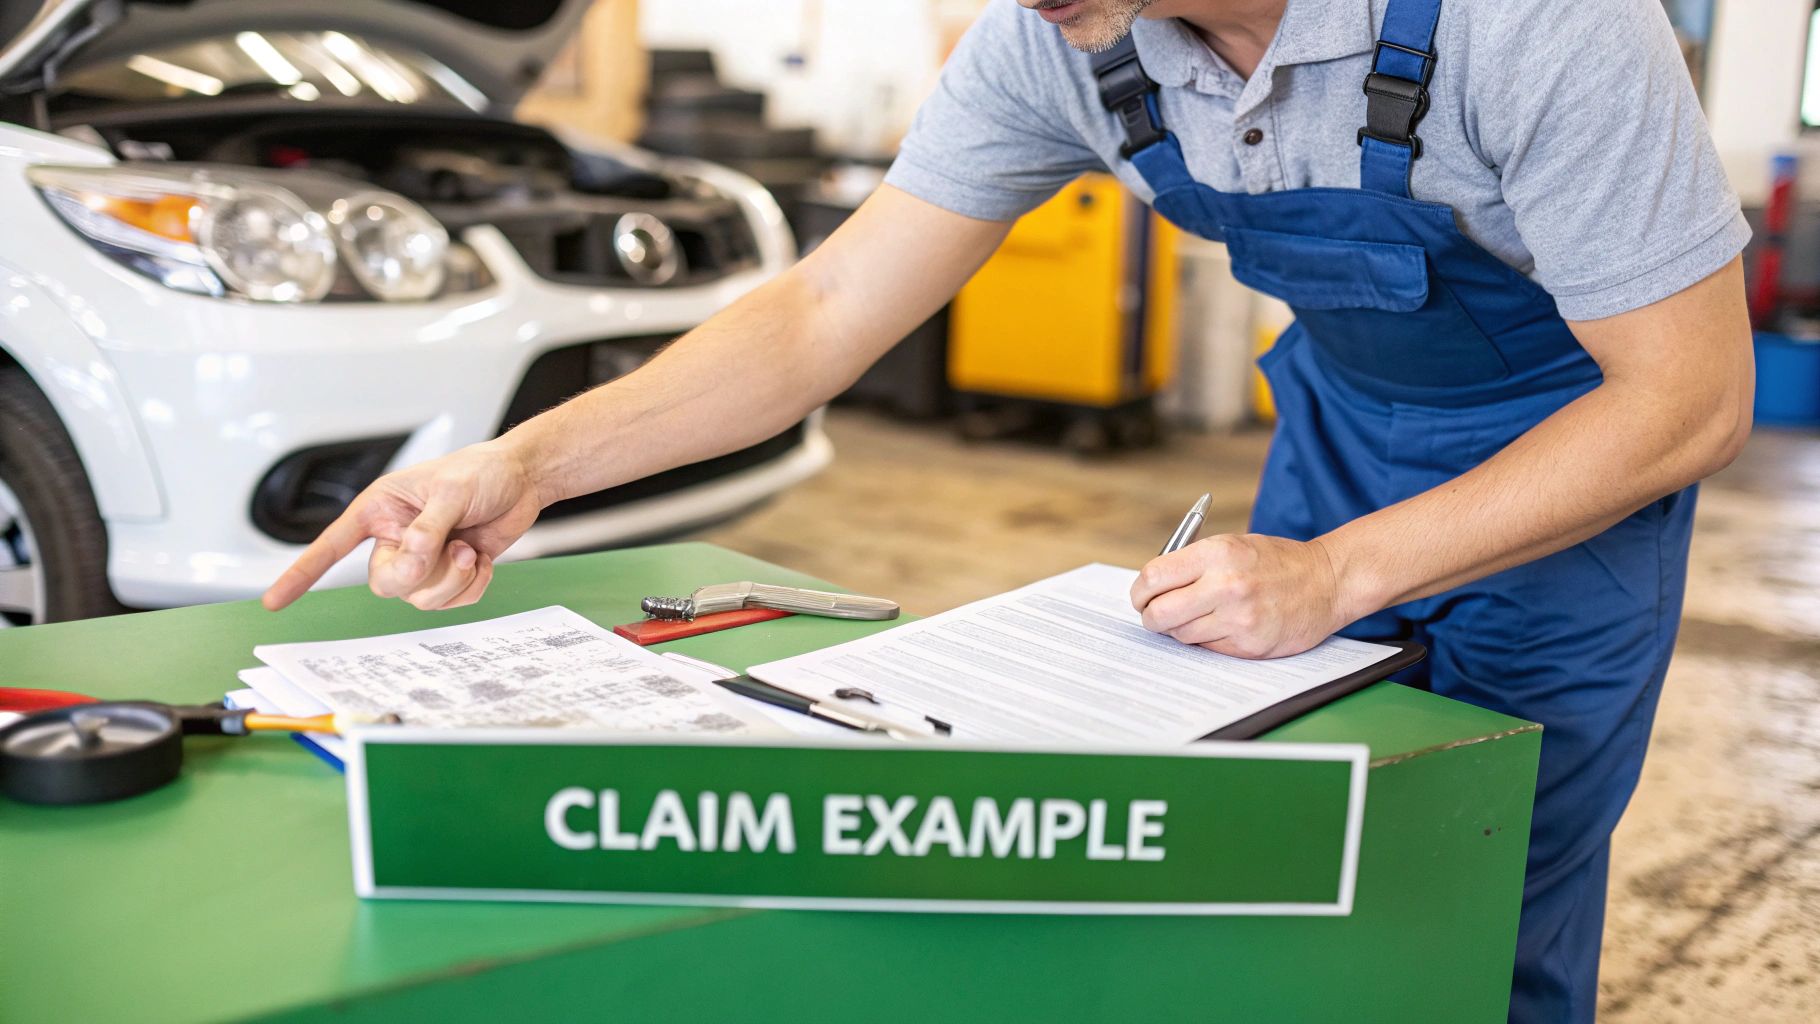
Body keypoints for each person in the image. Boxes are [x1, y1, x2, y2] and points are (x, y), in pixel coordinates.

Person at [263, 0, 1753, 1018]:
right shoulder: (1066, 38)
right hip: (1339, 439)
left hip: (1575, 464)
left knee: (1482, 886)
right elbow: (829, 308)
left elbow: (1685, 399)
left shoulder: (1539, 27)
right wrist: (529, 462)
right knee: (1291, 859)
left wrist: (1339, 574)